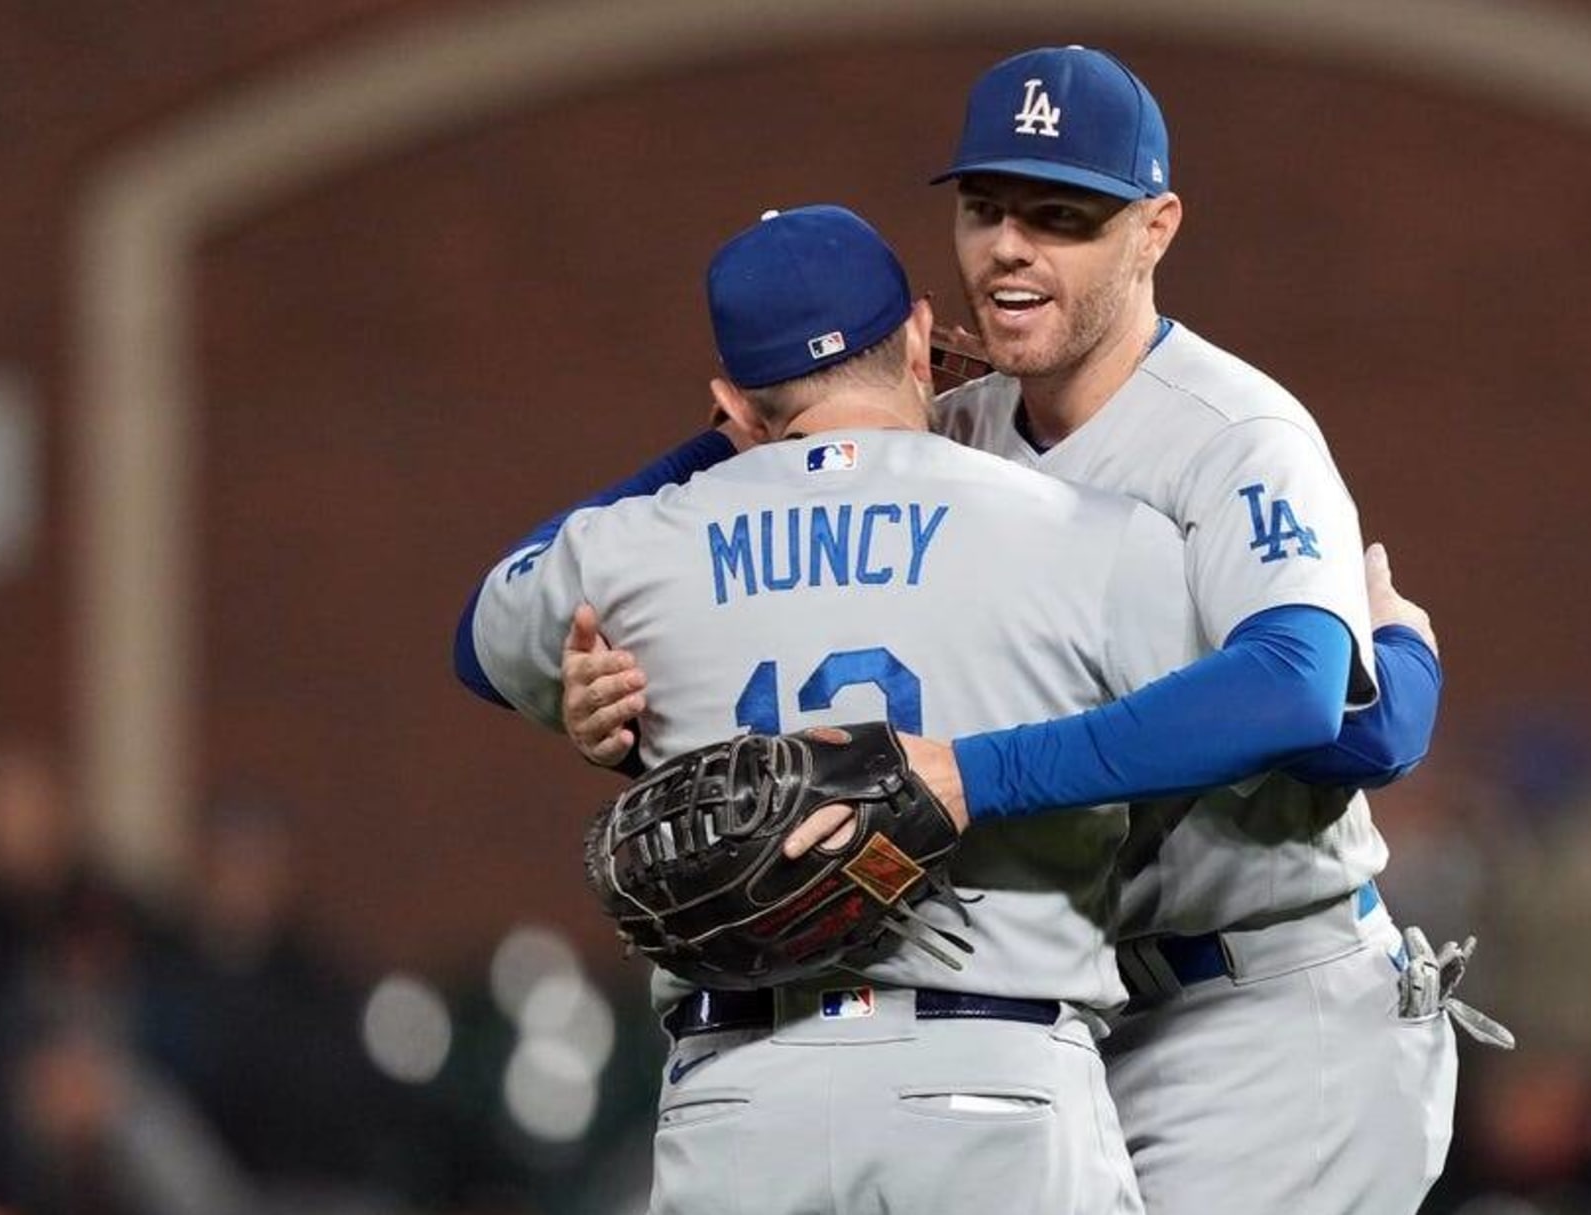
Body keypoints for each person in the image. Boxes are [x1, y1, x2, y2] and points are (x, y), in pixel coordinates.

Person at [556, 47, 1459, 1215]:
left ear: (1156, 228)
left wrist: (971, 777)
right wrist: (622, 712)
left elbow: (1316, 711)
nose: (1011, 246)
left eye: (1062, 215)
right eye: (986, 210)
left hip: (1264, 1004)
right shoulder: (954, 432)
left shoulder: (1237, 434)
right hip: (1072, 1019)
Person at [463, 204, 1207, 1214]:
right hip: (991, 1074)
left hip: (738, 1095)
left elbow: (482, 635)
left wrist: (711, 450)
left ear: (733, 395)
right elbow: (1245, 734)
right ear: (915, 334)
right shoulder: (1089, 532)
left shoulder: (626, 555)